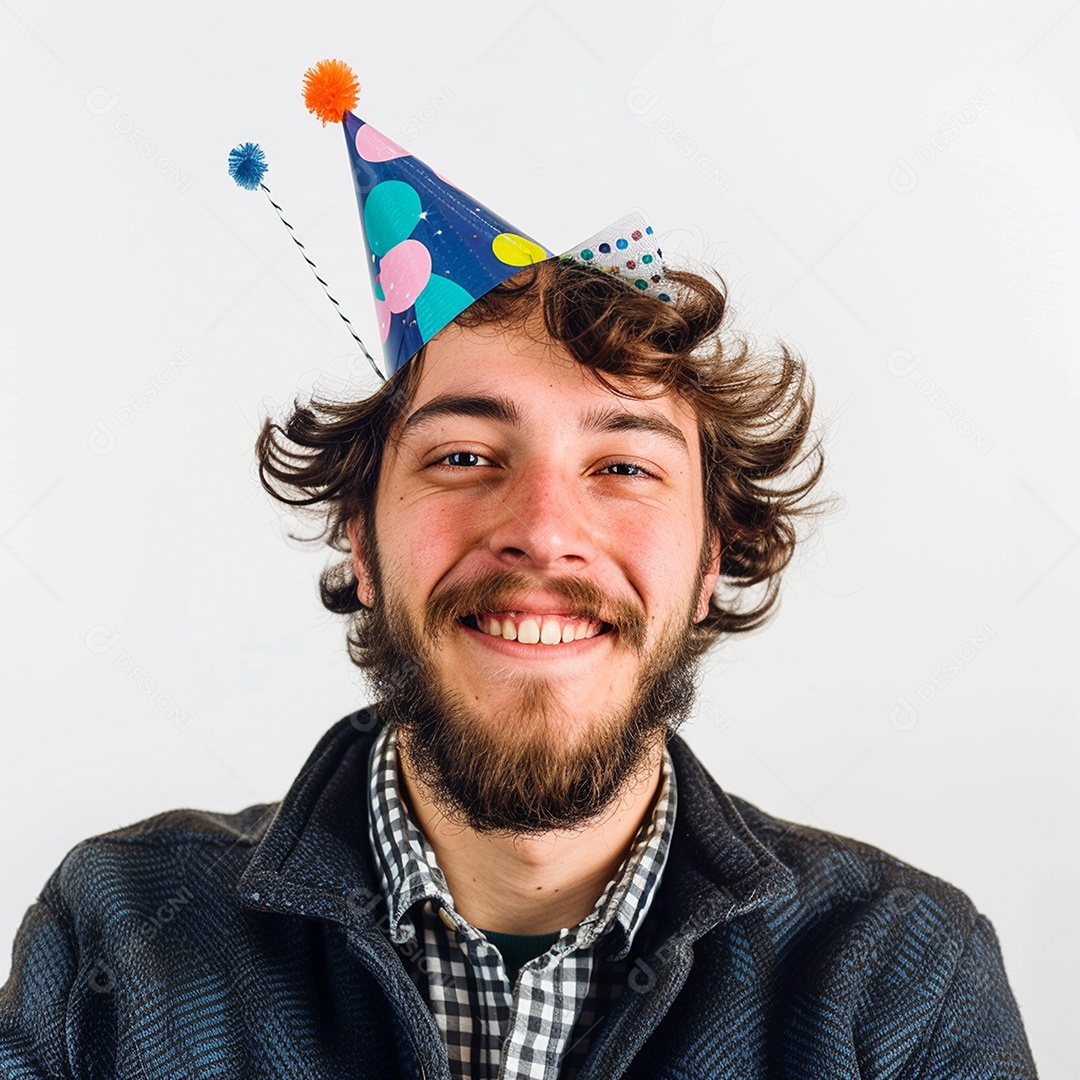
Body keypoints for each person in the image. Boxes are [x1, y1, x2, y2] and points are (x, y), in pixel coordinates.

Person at [0, 61, 1036, 1079]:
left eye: (623, 466)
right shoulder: (115, 944)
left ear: (713, 555)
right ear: (361, 540)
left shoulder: (903, 983)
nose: (543, 530)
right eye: (463, 458)